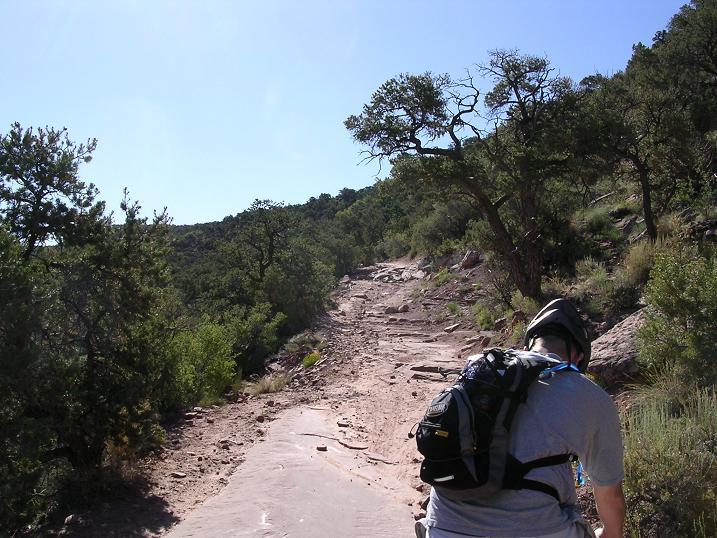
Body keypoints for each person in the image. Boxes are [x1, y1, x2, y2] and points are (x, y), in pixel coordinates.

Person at [416, 298, 625, 538]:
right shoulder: (590, 395)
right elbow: (611, 496)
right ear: (577, 358)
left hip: (443, 526)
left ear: (526, 349)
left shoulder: (478, 369)